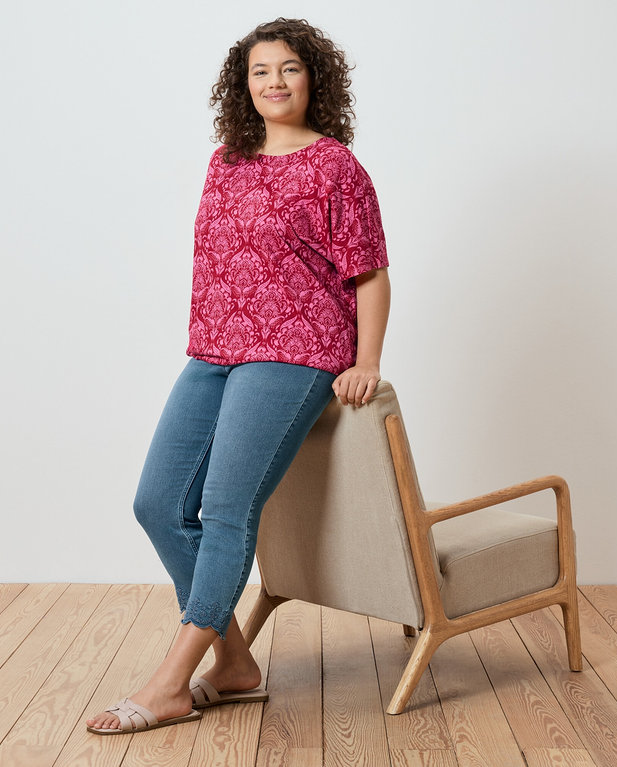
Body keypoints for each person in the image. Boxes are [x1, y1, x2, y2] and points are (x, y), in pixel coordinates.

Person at [87, 17, 390, 734]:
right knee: (157, 502)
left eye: (288, 68)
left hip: (295, 348)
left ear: (313, 78)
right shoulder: (226, 158)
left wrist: (366, 360)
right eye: (260, 71)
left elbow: (370, 274)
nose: (274, 82)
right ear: (242, 83)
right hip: (214, 347)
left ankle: (171, 679)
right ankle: (235, 661)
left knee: (226, 509)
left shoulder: (335, 166)